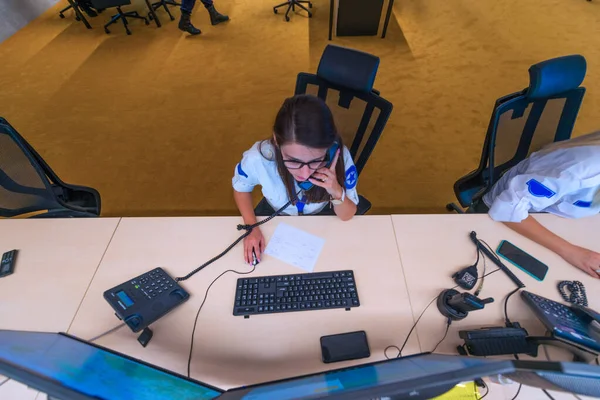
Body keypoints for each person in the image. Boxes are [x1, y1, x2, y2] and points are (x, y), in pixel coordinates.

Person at [232, 95, 360, 264]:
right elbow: (241, 188)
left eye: (315, 161)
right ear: (277, 141)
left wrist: (335, 190)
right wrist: (251, 227)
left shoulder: (340, 156)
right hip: (274, 213)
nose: (305, 173)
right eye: (294, 161)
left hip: (321, 215)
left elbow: (347, 215)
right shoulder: (258, 158)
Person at [483, 131, 600, 278]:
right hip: (509, 218)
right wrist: (573, 252)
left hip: (557, 218)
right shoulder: (579, 171)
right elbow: (507, 208)